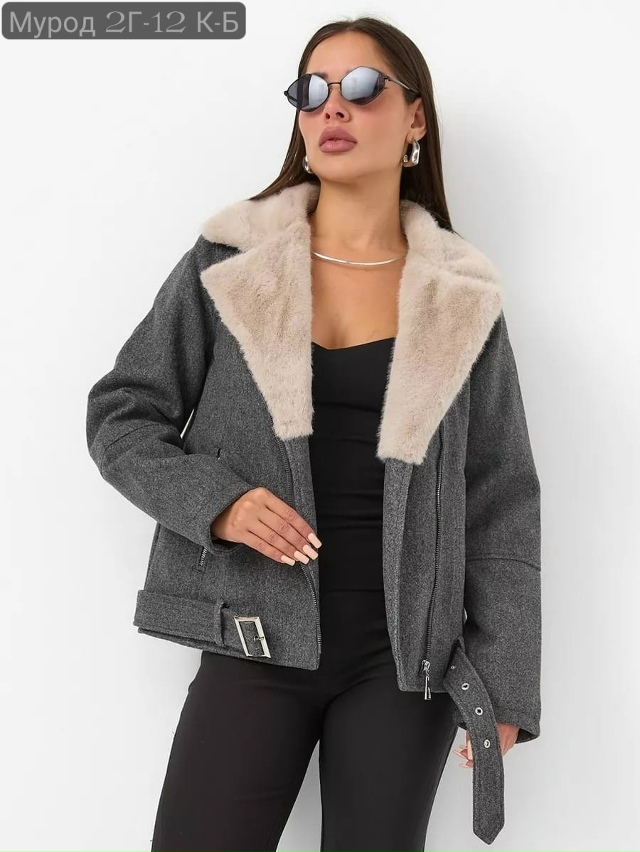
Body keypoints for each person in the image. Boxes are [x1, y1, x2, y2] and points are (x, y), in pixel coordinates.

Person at [86, 15, 542, 852]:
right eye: (312, 90)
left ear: (414, 117)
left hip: (405, 660)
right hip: (252, 634)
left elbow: (500, 494)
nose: (333, 107)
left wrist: (505, 680)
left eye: (362, 88)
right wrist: (218, 502)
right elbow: (123, 412)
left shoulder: (461, 294)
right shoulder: (230, 260)